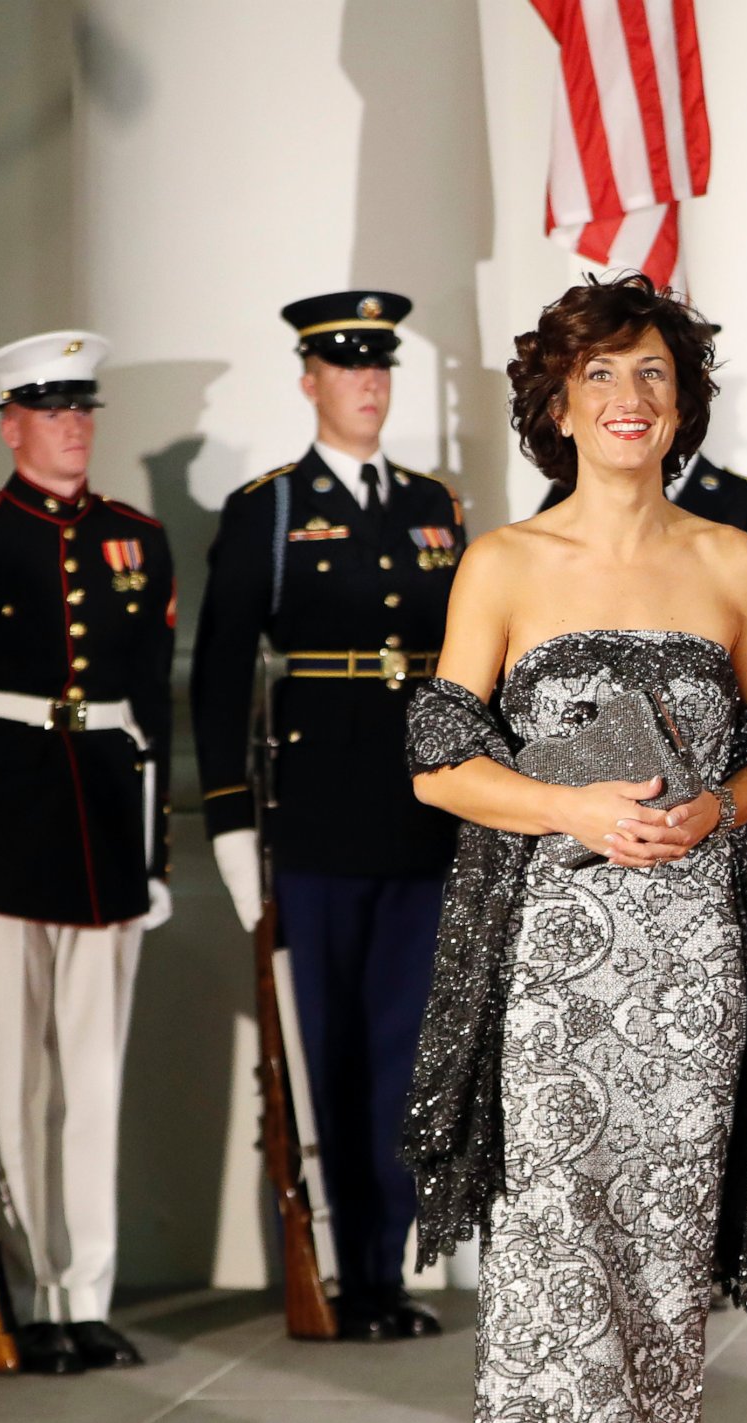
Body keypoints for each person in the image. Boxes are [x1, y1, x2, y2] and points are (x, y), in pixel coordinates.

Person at [326, 274, 747, 1423]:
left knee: (663, 1300)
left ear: (685, 404)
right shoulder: (503, 561)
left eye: (658, 377)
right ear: (555, 402)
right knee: (555, 1291)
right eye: (605, 376)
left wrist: (715, 813)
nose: (633, 400)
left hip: (696, 971)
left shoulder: (737, 558)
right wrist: (569, 812)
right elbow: (436, 757)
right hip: (555, 967)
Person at [192, 290, 462, 1341]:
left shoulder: (434, 505)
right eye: (349, 369)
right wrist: (228, 823)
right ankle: (335, 1269)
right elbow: (221, 675)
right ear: (310, 381)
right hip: (311, 822)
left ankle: (383, 1274)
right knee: (324, 1054)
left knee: (404, 1051)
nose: (369, 385)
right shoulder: (267, 509)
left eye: (381, 368)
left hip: (421, 819)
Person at [0, 332, 176, 1375]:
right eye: (51, 408)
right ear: (11, 423)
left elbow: (153, 706)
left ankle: (86, 1295)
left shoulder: (138, 538)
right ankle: (26, 1291)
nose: (73, 425)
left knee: (92, 1081)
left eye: (83, 408)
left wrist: (156, 850)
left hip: (108, 832)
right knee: (17, 1084)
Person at [540, 447, 747, 929]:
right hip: (587, 808)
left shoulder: (746, 507)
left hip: (712, 794)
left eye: (655, 376)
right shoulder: (562, 505)